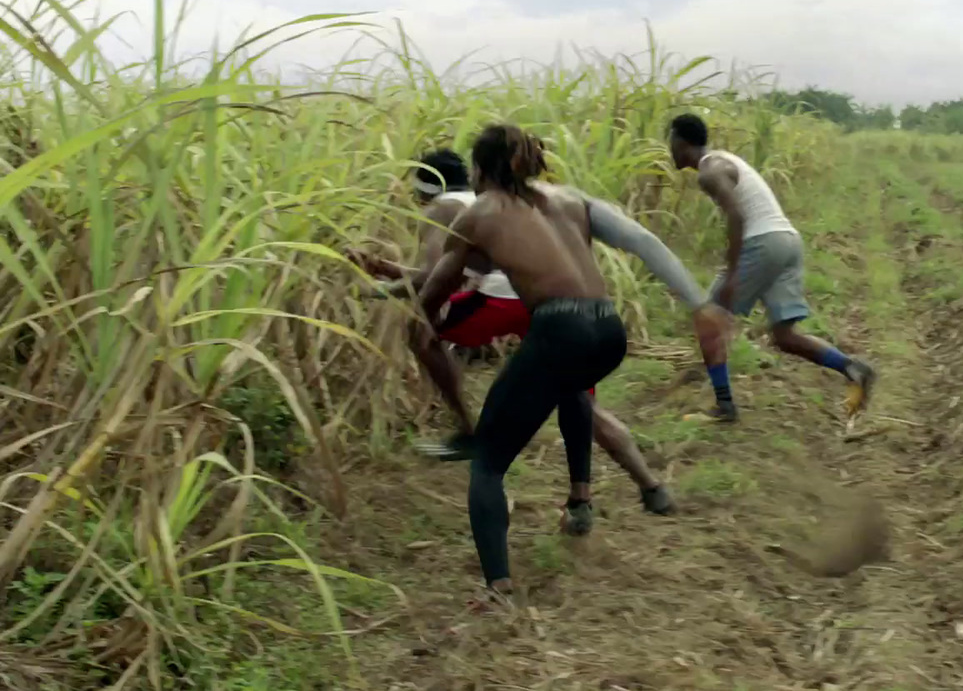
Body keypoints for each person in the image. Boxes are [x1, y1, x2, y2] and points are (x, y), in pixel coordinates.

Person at [413, 124, 731, 603]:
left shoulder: (477, 213)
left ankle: (498, 588)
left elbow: (433, 291)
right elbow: (642, 240)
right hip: (607, 329)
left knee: (488, 463)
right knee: (571, 390)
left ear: (480, 169)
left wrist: (421, 313)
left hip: (560, 327)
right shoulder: (567, 199)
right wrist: (698, 303)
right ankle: (584, 501)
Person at [353, 148, 710, 518]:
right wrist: (386, 269)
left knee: (420, 335)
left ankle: (468, 430)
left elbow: (432, 280)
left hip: (499, 299)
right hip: (559, 306)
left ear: (422, 187)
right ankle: (644, 486)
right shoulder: (521, 198)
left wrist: (373, 291)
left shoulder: (442, 209)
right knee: (580, 400)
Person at [667, 112, 876, 422]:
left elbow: (736, 216)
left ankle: (724, 407)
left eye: (669, 138)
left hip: (763, 242)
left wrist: (734, 271)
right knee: (783, 336)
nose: (667, 146)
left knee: (708, 318)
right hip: (787, 241)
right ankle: (853, 367)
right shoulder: (723, 159)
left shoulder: (709, 172)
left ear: (680, 142)